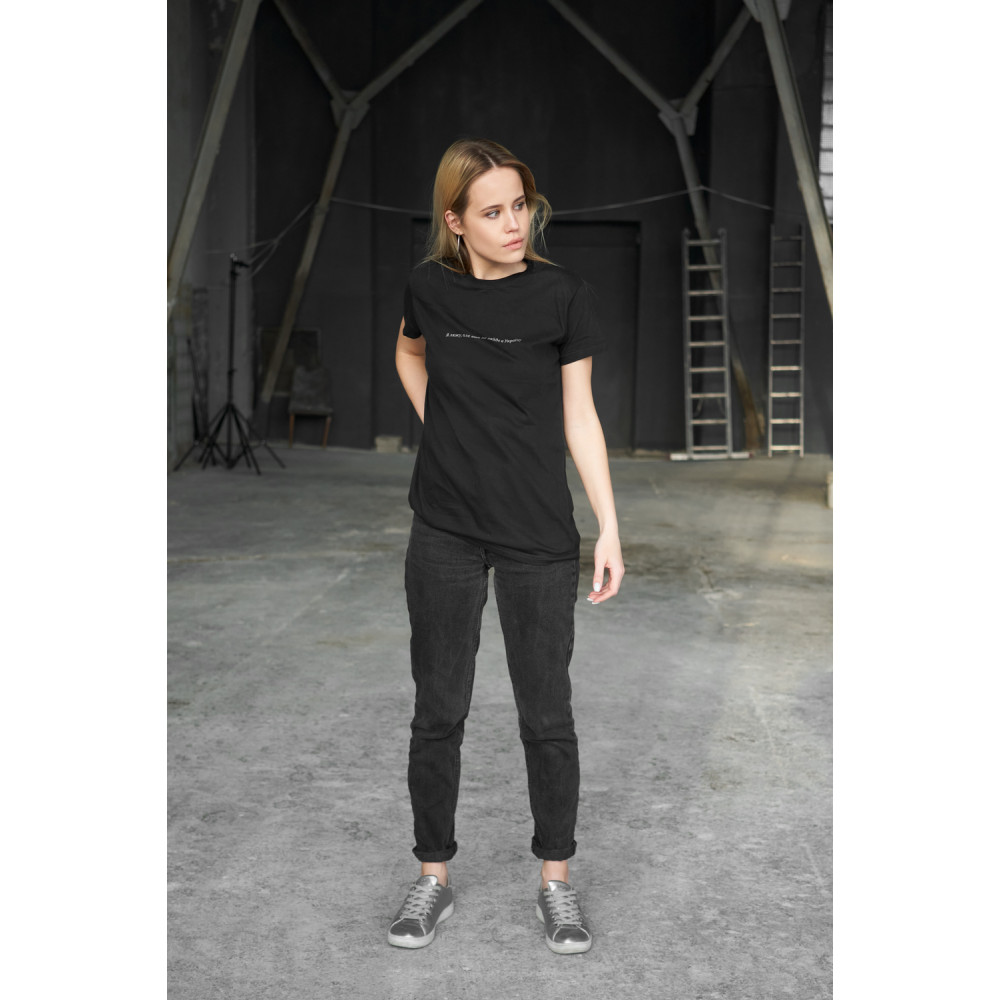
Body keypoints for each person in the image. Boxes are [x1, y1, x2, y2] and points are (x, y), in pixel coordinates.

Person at [390, 138, 624, 956]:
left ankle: (556, 883)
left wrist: (609, 526)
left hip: (537, 536)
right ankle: (432, 877)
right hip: (444, 529)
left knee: (547, 716)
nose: (513, 223)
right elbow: (408, 349)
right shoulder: (429, 286)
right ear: (455, 221)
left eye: (520, 205)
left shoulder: (563, 295)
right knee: (438, 711)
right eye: (492, 211)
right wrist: (441, 424)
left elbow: (580, 415)